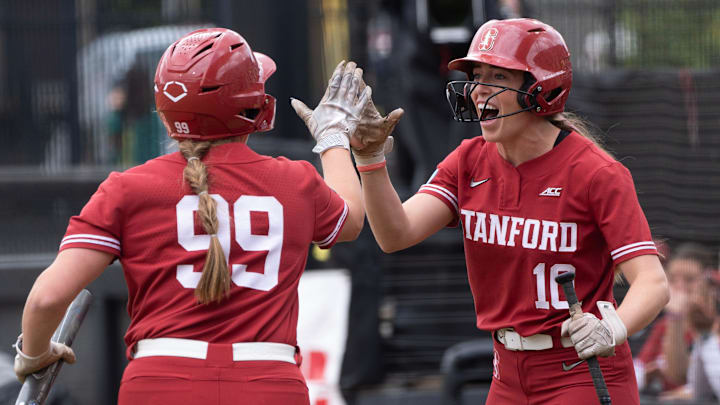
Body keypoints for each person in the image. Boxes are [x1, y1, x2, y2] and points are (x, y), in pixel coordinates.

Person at [13, 28, 370, 405]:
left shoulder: (127, 188)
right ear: (255, 106)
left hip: (159, 384)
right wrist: (333, 136)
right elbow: (351, 220)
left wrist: (34, 355)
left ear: (166, 112)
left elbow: (46, 299)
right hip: (266, 384)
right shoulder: (295, 181)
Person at [349, 18, 669, 404]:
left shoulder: (595, 173)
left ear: (542, 90)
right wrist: (370, 160)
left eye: (497, 75)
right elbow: (394, 234)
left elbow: (653, 284)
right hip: (506, 373)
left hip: (581, 371)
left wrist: (611, 328)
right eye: (477, 75)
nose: (479, 89)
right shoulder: (469, 160)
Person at [634, 242, 715, 395]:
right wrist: (647, 375)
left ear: (708, 283)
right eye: (672, 279)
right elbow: (637, 369)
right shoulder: (663, 324)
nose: (679, 287)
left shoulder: (714, 324)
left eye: (690, 279)